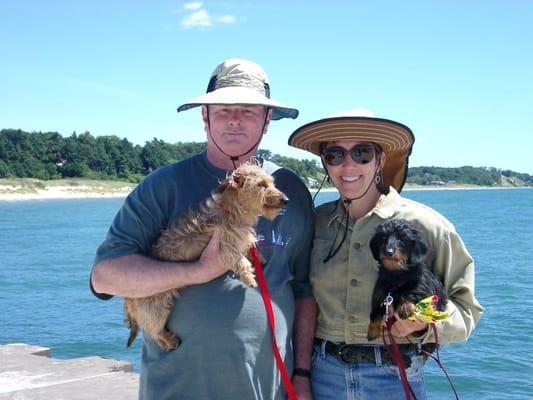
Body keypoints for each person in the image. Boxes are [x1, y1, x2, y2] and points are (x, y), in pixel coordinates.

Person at [90, 59, 316, 400]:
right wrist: (198, 271)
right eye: (223, 109)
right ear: (205, 116)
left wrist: (301, 374)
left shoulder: (290, 191)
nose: (235, 119)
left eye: (249, 110)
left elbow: (303, 291)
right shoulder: (163, 186)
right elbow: (105, 278)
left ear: (267, 120)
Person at [288, 108, 483, 399]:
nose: (348, 165)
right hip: (321, 377)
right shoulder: (314, 223)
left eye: (362, 153)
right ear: (325, 164)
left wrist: (422, 325)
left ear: (380, 160)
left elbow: (466, 312)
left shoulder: (428, 226)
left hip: (393, 377)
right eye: (336, 155)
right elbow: (301, 301)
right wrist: (300, 374)